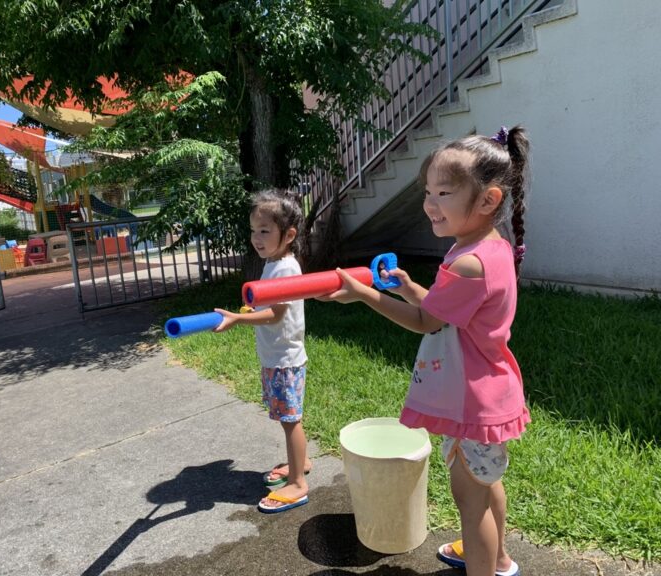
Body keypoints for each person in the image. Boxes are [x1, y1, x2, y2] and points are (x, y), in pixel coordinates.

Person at [320, 127, 530, 576]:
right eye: (428, 192)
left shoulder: (469, 263)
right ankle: (499, 560)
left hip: (472, 401)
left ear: (488, 199)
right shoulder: (488, 247)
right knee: (485, 484)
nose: (430, 204)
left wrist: (365, 295)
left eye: (444, 193)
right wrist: (408, 286)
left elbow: (425, 321)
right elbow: (443, 309)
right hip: (488, 393)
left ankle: (484, 563)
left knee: (470, 504)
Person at [214, 189, 311, 514]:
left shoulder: (285, 268)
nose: (256, 238)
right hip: (275, 357)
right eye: (254, 230)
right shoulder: (273, 263)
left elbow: (276, 314)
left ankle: (297, 483)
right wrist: (249, 310)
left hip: (284, 360)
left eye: (265, 231)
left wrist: (238, 318)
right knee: (287, 418)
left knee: (290, 420)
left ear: (289, 235)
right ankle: (300, 463)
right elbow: (270, 307)